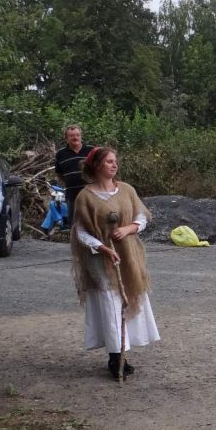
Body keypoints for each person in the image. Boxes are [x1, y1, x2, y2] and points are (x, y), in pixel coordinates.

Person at [70, 146, 160, 380]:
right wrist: (102, 247)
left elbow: (141, 217)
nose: (114, 165)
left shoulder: (127, 190)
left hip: (127, 255)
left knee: (127, 300)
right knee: (110, 305)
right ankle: (116, 357)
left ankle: (123, 351)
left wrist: (129, 229)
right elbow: (80, 232)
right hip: (100, 260)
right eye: (109, 161)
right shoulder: (85, 197)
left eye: (115, 161)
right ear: (97, 165)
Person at [54, 124, 93, 220]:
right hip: (72, 195)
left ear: (81, 136)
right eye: (71, 136)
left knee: (94, 220)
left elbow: (100, 169)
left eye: (77, 135)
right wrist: (70, 181)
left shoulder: (91, 150)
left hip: (92, 194)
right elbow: (59, 173)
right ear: (66, 138)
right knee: (74, 222)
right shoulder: (60, 154)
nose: (75, 137)